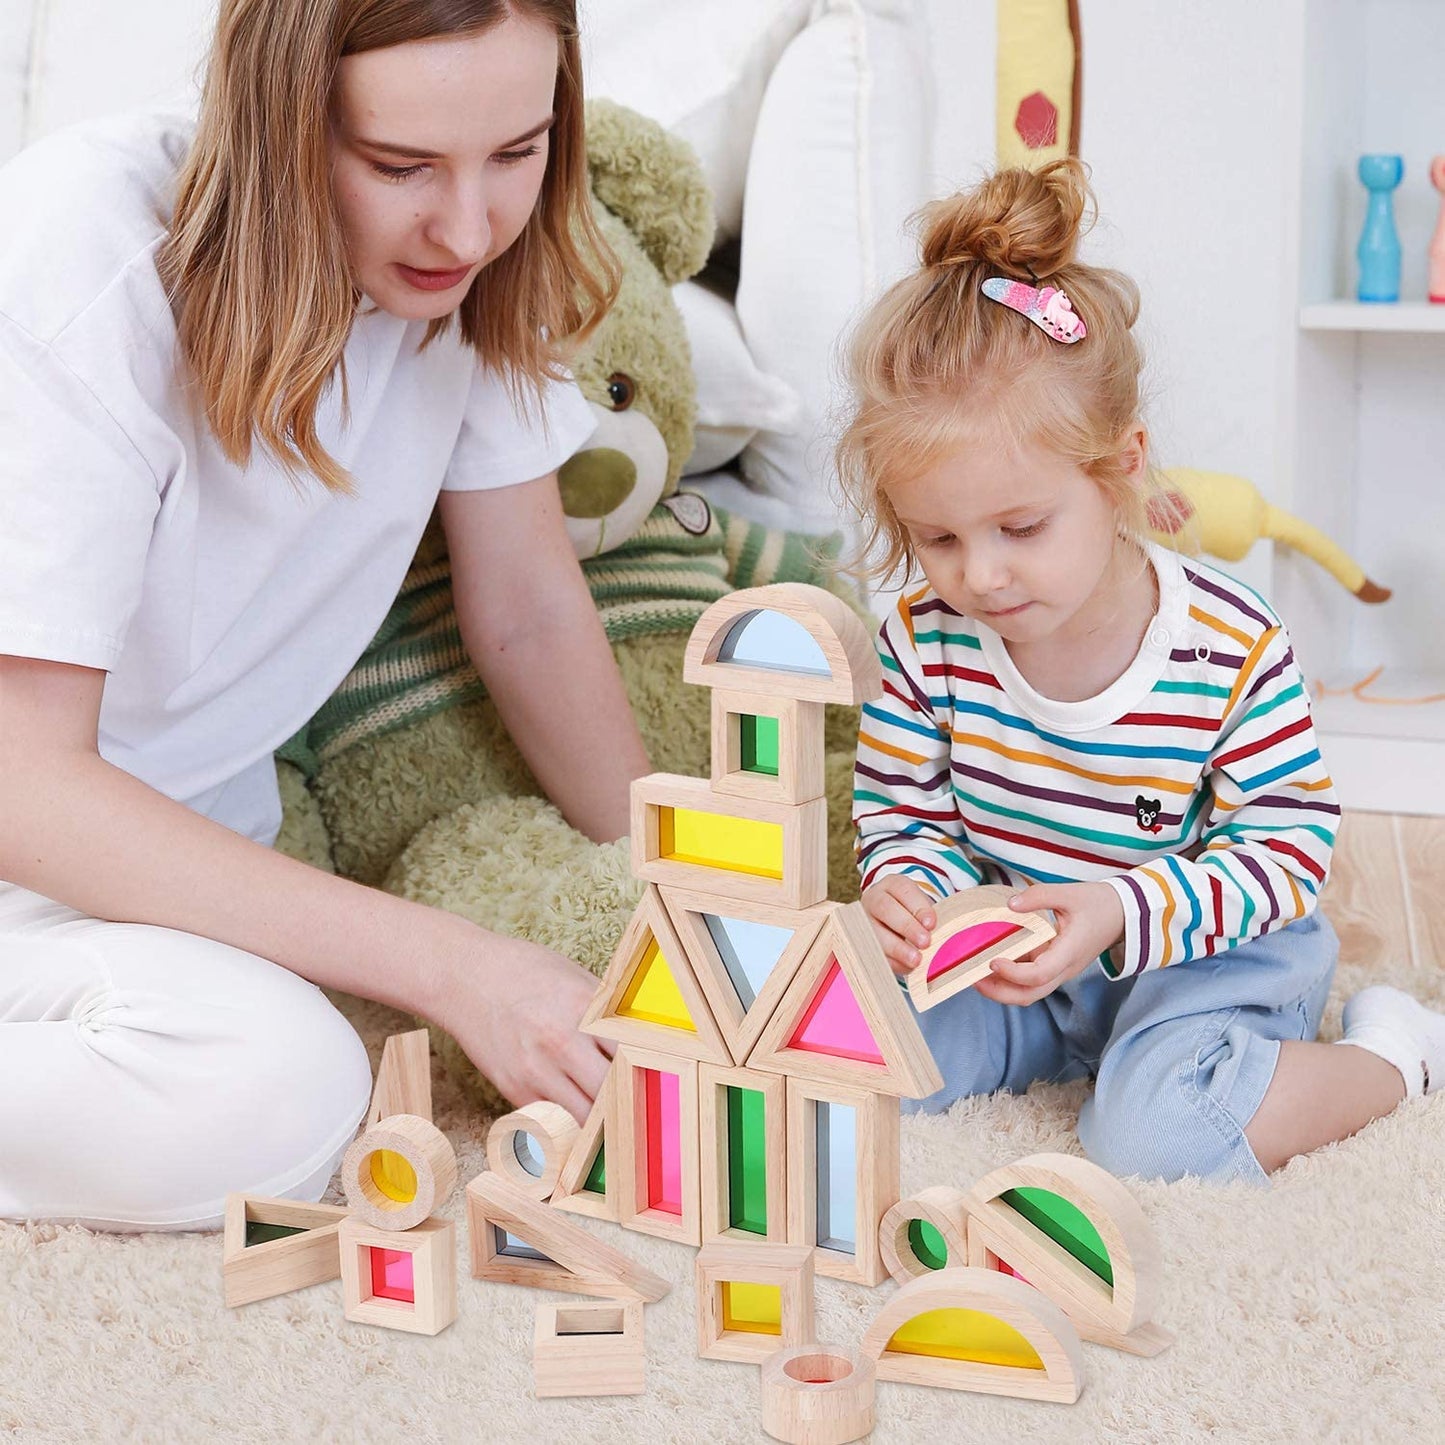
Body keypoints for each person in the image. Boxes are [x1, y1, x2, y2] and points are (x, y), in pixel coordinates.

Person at [0, 0, 648, 1232]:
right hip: (31, 846)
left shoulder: (477, 276)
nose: (468, 227)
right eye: (401, 166)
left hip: (164, 870)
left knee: (281, 1062)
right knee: (281, 1086)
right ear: (277, 126)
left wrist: (696, 893)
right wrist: (459, 967)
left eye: (517, 152)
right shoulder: (79, 253)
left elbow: (525, 612)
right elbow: (21, 785)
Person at [838, 159, 1445, 1184]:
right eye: (936, 537)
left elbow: (1287, 850)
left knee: (1154, 1136)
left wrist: (1118, 911)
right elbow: (906, 816)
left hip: (1204, 956)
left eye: (1020, 527)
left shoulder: (1228, 643)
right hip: (1025, 959)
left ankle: (1392, 1054)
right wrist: (910, 890)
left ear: (1122, 467)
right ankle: (1080, 1048)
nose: (978, 575)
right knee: (859, 1058)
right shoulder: (924, 637)